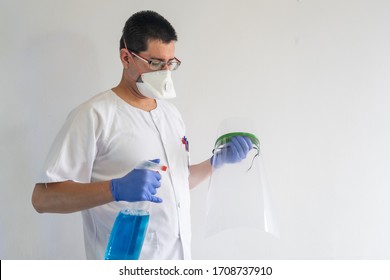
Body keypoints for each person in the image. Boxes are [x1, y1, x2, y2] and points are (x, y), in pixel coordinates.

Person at [31, 10, 253, 260]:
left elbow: (174, 184)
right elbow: (43, 199)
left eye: (171, 63)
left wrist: (215, 163)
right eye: (156, 63)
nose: (166, 72)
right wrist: (115, 189)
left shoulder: (171, 116)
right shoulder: (94, 116)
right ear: (126, 58)